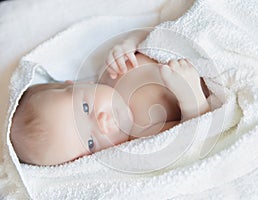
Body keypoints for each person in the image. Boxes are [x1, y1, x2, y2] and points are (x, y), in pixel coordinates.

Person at [10, 36, 211, 166]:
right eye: (90, 142)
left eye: (86, 108)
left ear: (76, 84)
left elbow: (150, 34)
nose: (102, 123)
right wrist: (190, 92)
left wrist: (128, 46)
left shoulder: (112, 71)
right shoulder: (142, 133)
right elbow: (194, 130)